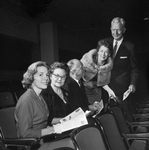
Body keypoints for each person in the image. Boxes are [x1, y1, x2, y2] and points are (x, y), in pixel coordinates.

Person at [14, 61, 74, 150]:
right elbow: (25, 134)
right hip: (33, 145)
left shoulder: (40, 96)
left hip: (43, 140)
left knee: (76, 139)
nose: (46, 78)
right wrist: (51, 130)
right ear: (31, 77)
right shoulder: (26, 100)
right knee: (72, 144)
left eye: (46, 75)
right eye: (40, 75)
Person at [105, 17, 139, 102]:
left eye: (118, 30)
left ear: (124, 30)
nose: (115, 33)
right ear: (110, 29)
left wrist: (132, 84)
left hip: (121, 89)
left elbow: (134, 68)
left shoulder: (130, 47)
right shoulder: (105, 43)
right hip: (105, 88)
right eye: (113, 30)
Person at [80, 39, 116, 106]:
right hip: (83, 90)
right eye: (101, 51)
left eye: (106, 52)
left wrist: (110, 91)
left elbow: (103, 83)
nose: (103, 54)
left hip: (96, 92)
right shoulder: (86, 60)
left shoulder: (108, 67)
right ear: (98, 51)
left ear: (109, 54)